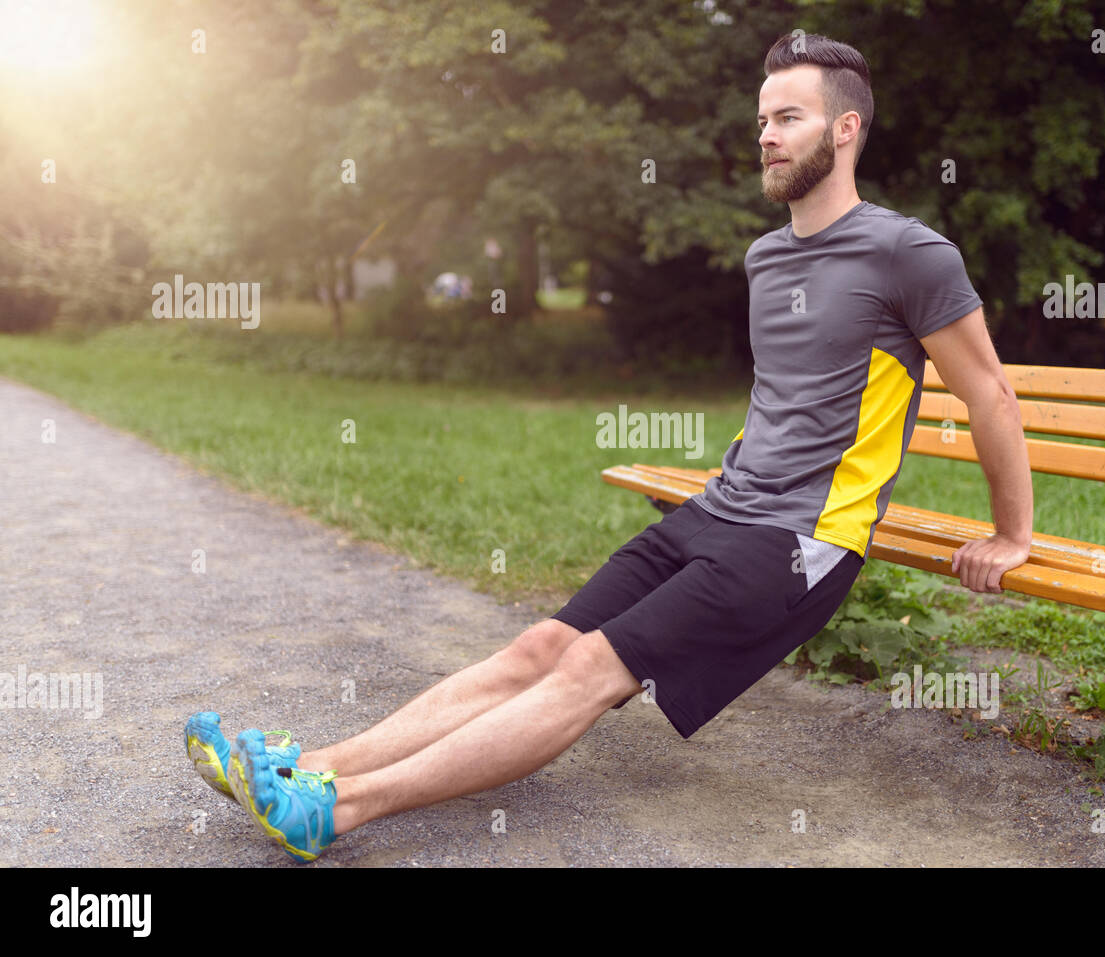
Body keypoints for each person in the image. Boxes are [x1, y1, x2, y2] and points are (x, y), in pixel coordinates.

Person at [183, 31, 1033, 862]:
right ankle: (308, 767)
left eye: (790, 118)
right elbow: (786, 398)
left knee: (590, 667)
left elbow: (988, 389)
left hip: (800, 543)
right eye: (763, 121)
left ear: (845, 130)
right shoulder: (768, 257)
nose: (767, 136)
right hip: (718, 511)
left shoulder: (907, 252)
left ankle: (334, 812)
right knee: (536, 648)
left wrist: (1012, 534)